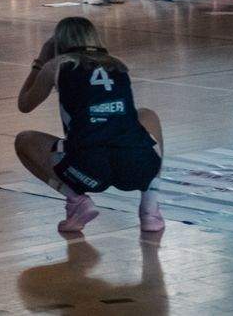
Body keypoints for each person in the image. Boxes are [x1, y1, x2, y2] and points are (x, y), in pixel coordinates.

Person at [13, 16, 165, 237]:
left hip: (88, 170)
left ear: (58, 43)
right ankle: (150, 206)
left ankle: (77, 200)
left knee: (24, 140)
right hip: (138, 168)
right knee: (147, 116)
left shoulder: (57, 65)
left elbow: (24, 104)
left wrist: (40, 63)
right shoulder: (118, 65)